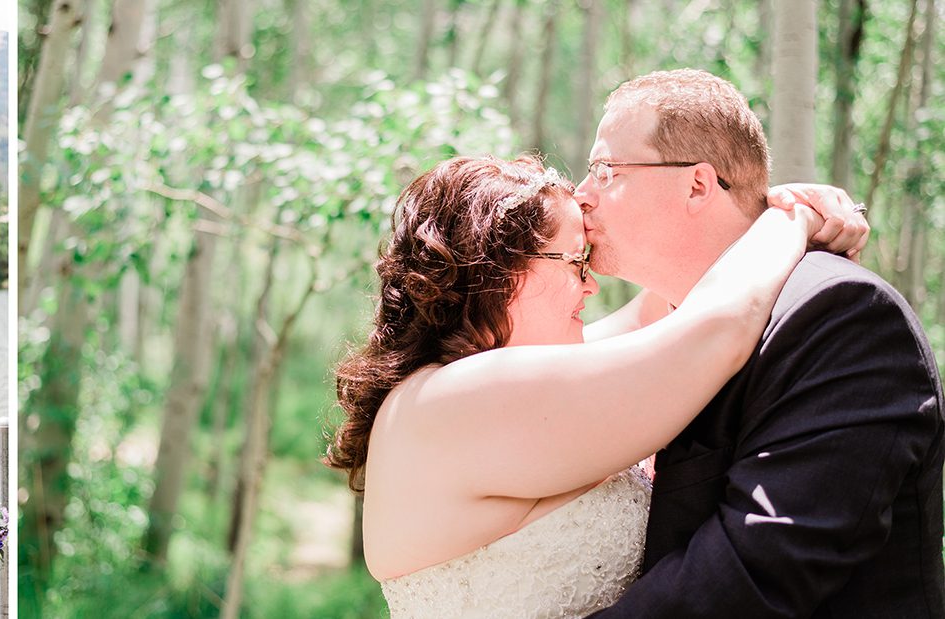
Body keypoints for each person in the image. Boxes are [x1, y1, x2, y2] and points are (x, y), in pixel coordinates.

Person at [324, 154, 869, 617]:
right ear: (499, 270)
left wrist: (745, 207)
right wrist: (790, 220)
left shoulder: (465, 390)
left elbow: (658, 309)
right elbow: (713, 331)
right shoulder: (452, 401)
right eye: (575, 260)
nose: (591, 282)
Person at [582, 70, 943, 617]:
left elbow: (754, 575)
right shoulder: (669, 321)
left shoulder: (842, 317)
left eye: (605, 171)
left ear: (698, 184)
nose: (581, 196)